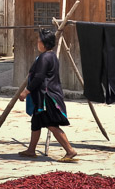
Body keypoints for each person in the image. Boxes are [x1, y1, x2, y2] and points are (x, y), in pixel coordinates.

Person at [18, 28, 77, 161]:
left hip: (47, 97)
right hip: (44, 95)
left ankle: (70, 150)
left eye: (39, 41)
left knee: (51, 124)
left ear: (44, 43)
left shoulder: (45, 57)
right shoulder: (51, 56)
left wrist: (26, 91)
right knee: (36, 122)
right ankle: (31, 150)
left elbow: (39, 77)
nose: (37, 43)